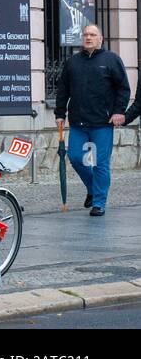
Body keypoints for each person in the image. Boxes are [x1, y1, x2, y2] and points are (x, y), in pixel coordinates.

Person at [55, 23, 128, 216]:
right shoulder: (72, 62)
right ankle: (93, 189)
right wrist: (59, 114)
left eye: (93, 35)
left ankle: (99, 203)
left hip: (102, 123)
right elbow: (63, 90)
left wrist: (119, 111)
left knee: (101, 164)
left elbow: (123, 88)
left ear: (100, 39)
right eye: (86, 34)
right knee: (75, 158)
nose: (88, 38)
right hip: (78, 121)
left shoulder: (111, 60)